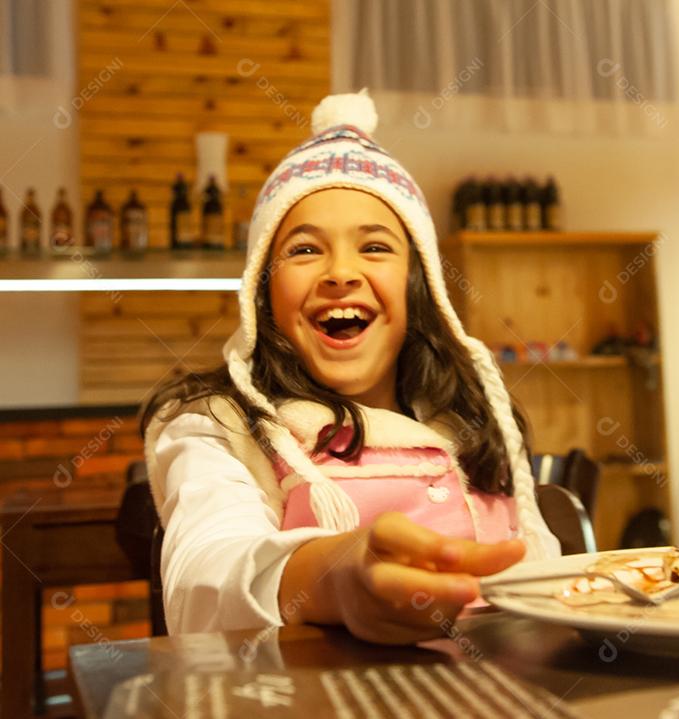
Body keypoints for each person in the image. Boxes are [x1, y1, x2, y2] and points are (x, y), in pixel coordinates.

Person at [141, 90, 560, 643]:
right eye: (305, 250)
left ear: (417, 286)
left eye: (375, 248)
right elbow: (204, 579)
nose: (341, 272)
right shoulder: (221, 428)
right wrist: (333, 577)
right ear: (263, 293)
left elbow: (547, 579)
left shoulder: (473, 420)